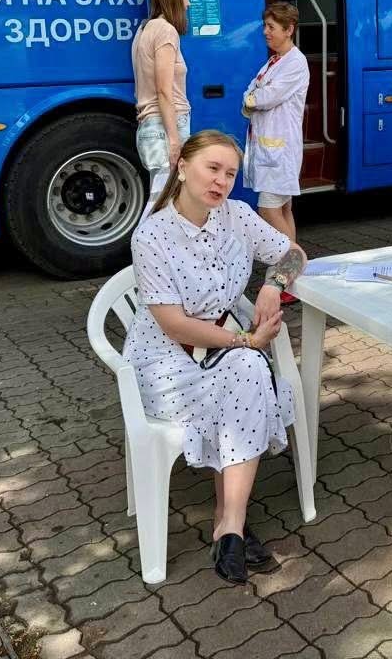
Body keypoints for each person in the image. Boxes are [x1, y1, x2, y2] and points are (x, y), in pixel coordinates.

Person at [129, 130, 308, 584]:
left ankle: (230, 523)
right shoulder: (151, 235)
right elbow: (174, 325)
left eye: (230, 174)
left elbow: (292, 254)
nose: (221, 181)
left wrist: (273, 285)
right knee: (247, 370)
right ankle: (230, 525)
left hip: (224, 349)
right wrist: (246, 340)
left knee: (247, 371)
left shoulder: (238, 216)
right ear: (182, 167)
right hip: (168, 362)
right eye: (212, 168)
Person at [242, 1, 310, 302]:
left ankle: (293, 268)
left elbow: (264, 97)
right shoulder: (273, 62)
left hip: (280, 150)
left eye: (271, 27)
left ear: (288, 29)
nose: (265, 32)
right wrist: (253, 98)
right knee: (283, 209)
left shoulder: (295, 62)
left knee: (268, 210)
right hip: (272, 148)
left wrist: (253, 99)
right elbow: (250, 93)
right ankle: (290, 278)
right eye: (265, 26)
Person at [133, 0, 192, 211]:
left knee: (164, 202)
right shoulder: (166, 31)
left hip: (151, 125)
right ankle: (143, 237)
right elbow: (164, 90)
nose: (188, 4)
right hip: (166, 125)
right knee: (162, 205)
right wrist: (174, 140)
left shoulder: (144, 30)